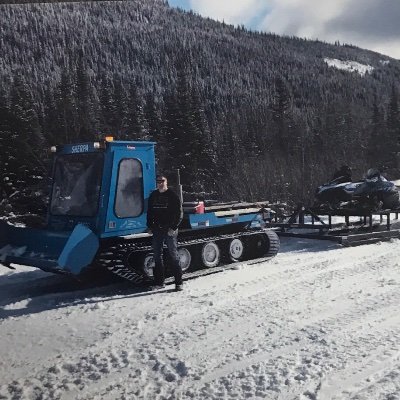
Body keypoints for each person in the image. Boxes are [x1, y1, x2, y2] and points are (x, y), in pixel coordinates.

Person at [147, 174, 183, 291]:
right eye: (158, 181)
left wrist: (173, 227)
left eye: (162, 181)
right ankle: (160, 283)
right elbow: (149, 212)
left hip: (169, 229)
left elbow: (179, 213)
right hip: (157, 229)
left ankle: (179, 283)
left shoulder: (172, 195)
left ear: (166, 182)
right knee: (157, 256)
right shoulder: (153, 195)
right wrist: (150, 226)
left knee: (173, 255)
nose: (160, 183)